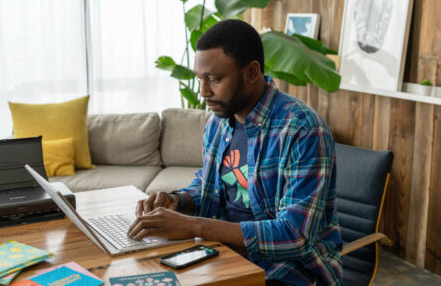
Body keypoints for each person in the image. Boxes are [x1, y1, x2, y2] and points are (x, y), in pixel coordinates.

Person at [128, 19, 343, 286]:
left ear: (252, 72)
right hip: (224, 256)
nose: (204, 92)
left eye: (214, 79)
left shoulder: (302, 129)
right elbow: (211, 189)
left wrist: (193, 225)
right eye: (200, 79)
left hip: (290, 272)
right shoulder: (218, 123)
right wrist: (178, 201)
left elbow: (295, 236)